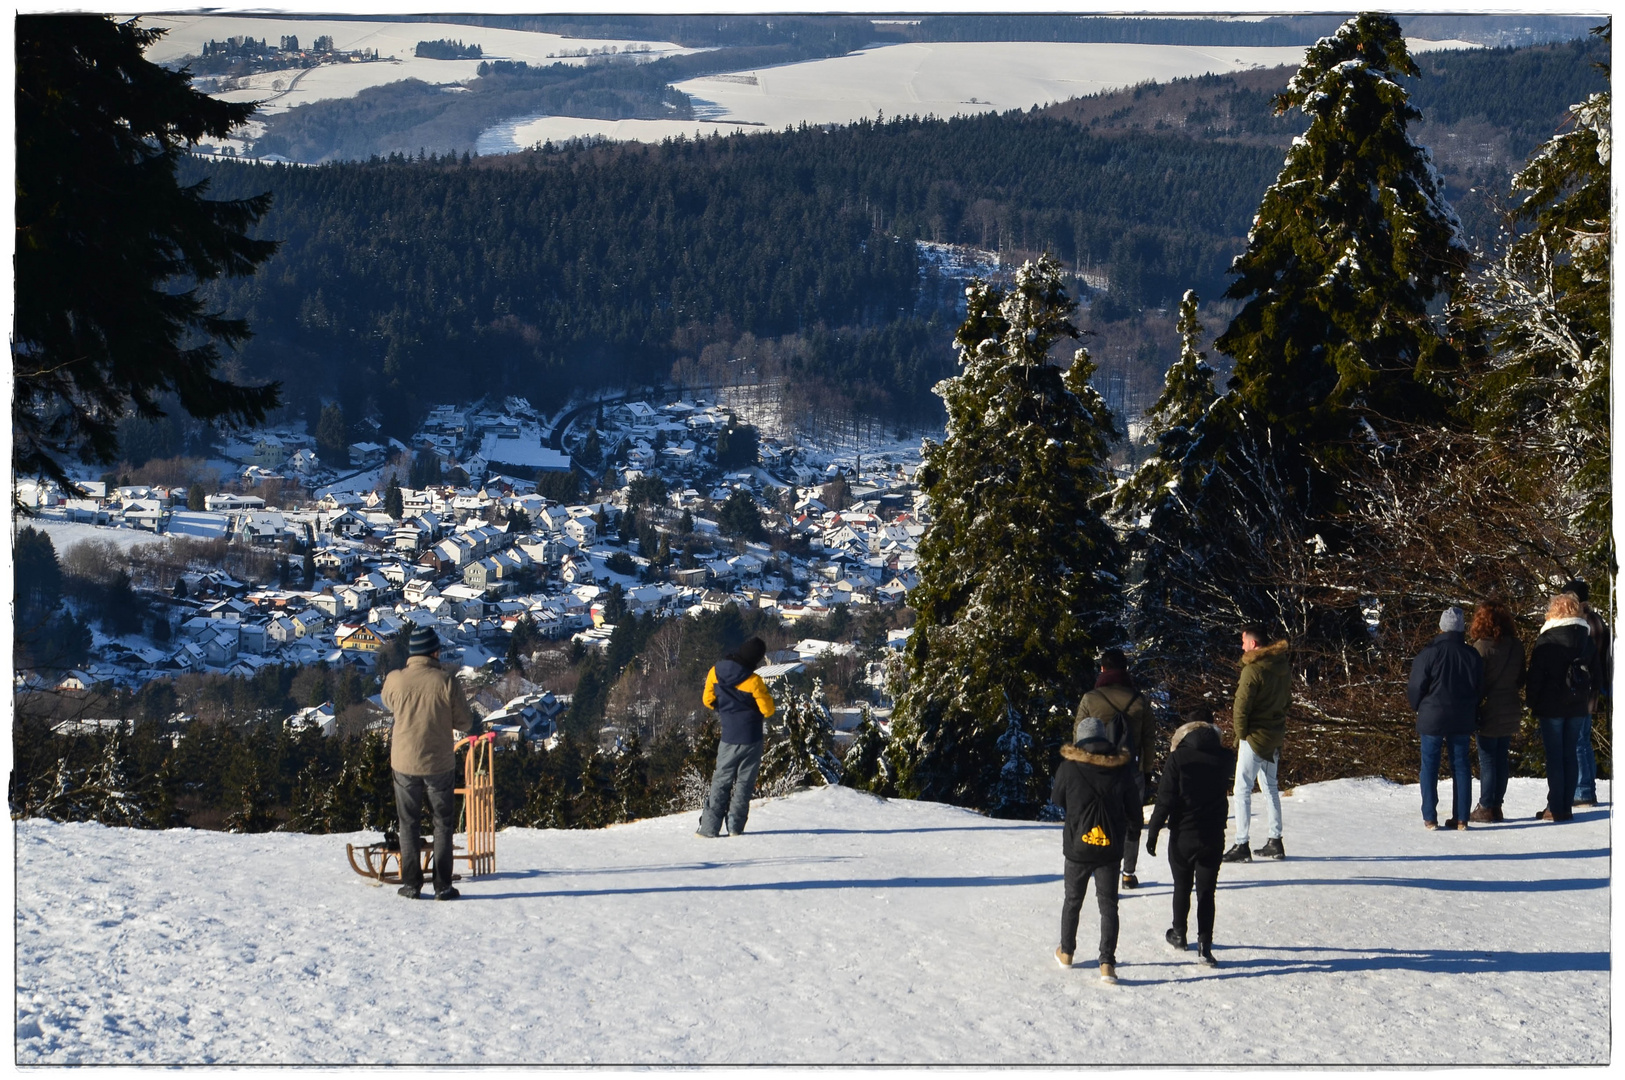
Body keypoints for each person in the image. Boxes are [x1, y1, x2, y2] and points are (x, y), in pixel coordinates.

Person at [381, 625, 473, 900]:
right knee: (442, 823)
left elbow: (388, 702)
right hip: (439, 762)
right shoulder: (446, 681)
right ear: (434, 652)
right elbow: (465, 722)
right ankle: (442, 885)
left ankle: (411, 884)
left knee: (407, 823)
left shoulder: (395, 679)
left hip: (404, 760)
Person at [1050, 715, 1140, 983]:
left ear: (1080, 739)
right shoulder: (1121, 768)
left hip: (1077, 847)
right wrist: (1131, 836)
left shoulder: (1069, 767)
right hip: (1110, 849)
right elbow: (1134, 811)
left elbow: (1056, 799)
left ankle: (1066, 953)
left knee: (1072, 901)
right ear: (1104, 739)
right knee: (1108, 906)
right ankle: (1107, 965)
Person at [1145, 705, 1233, 967]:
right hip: (1213, 833)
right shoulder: (1226, 757)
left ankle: (1179, 934)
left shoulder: (1178, 758)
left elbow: (1165, 800)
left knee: (1181, 886)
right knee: (1207, 891)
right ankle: (1205, 946)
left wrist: (1153, 832)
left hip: (1183, 832)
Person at [1075, 648, 1155, 888]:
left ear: (1102, 669)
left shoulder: (1090, 699)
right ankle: (1128, 873)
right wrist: (1146, 769)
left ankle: (1097, 867)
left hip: (1096, 771)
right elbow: (1149, 739)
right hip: (1130, 770)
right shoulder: (1139, 700)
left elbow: (1078, 734)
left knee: (1096, 817)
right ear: (1125, 670)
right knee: (1132, 822)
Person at [1406, 606, 1484, 830]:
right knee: (1461, 766)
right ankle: (1461, 818)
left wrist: (1418, 706)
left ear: (1441, 627)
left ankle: (1430, 817)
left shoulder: (1428, 653)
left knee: (1429, 765)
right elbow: (1479, 687)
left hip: (1432, 715)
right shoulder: (1472, 655)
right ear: (1462, 629)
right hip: (1461, 715)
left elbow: (1415, 686)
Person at [1223, 624, 1291, 862]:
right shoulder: (1282, 666)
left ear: (1253, 644)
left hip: (1254, 736)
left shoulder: (1252, 670)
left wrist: (1241, 735)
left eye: (1243, 642)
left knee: (1242, 789)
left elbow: (1240, 706)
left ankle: (1241, 844)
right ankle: (1275, 841)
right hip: (1274, 735)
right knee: (1270, 787)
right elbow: (1287, 702)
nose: (1241, 646)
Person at [1526, 592, 1596, 823]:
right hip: (1577, 703)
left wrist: (1532, 701)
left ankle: (1555, 806)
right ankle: (1566, 805)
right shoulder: (1586, 637)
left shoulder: (1547, 638)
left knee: (1555, 756)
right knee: (1570, 755)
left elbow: (1536, 675)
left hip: (1552, 704)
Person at [697, 636, 775, 838]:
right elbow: (768, 710)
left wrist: (724, 709)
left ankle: (708, 828)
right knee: (743, 784)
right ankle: (735, 827)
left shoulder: (715, 672)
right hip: (751, 737)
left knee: (721, 781)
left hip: (728, 737)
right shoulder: (754, 681)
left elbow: (707, 700)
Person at [1468, 600, 1525, 823]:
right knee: (1501, 758)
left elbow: (1475, 684)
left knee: (1488, 759)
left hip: (1488, 709)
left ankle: (1487, 805)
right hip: (1510, 706)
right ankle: (1497, 805)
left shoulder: (1480, 648)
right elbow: (1521, 678)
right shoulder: (1516, 645)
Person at [1564, 580, 1610, 808]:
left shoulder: (1584, 624)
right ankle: (1586, 789)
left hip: (1583, 688)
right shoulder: (1597, 621)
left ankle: (1584, 791)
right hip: (1592, 687)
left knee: (1579, 741)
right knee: (1583, 741)